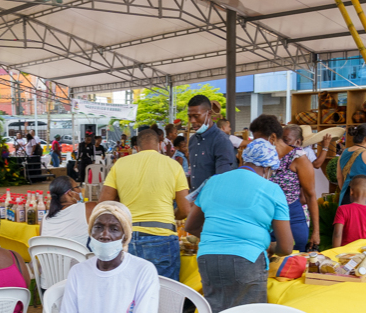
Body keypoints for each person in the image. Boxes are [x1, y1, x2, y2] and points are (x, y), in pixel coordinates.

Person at [184, 137, 292, 313]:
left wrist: (217, 239)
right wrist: (270, 248)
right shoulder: (271, 189)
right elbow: (287, 246)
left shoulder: (214, 181)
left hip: (208, 258)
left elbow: (191, 225)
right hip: (247, 260)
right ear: (266, 167)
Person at [100, 128, 190, 280]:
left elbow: (104, 205)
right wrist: (172, 216)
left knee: (128, 296)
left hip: (127, 238)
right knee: (164, 295)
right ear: (160, 145)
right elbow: (186, 210)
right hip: (163, 236)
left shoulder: (120, 164)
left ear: (136, 147)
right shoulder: (174, 165)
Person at [268, 123, 321, 251]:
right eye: (281, 139)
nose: (282, 143)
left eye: (286, 140)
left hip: (292, 214)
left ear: (298, 141)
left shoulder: (299, 158)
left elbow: (310, 195)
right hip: (268, 216)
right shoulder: (266, 156)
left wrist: (316, 232)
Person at [188, 95, 236, 189]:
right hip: (195, 199)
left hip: (211, 200)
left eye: (196, 116)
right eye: (190, 117)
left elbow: (222, 180)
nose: (192, 121)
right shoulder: (193, 140)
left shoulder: (221, 141)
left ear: (209, 114)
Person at [40, 176, 95, 243]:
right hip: (78, 253)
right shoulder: (89, 208)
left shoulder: (45, 218)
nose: (80, 190)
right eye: (77, 187)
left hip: (50, 253)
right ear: (70, 193)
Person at [332, 176, 366, 247]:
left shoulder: (342, 209)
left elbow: (337, 234)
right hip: (364, 252)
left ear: (351, 192)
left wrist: (335, 252)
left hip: (345, 252)